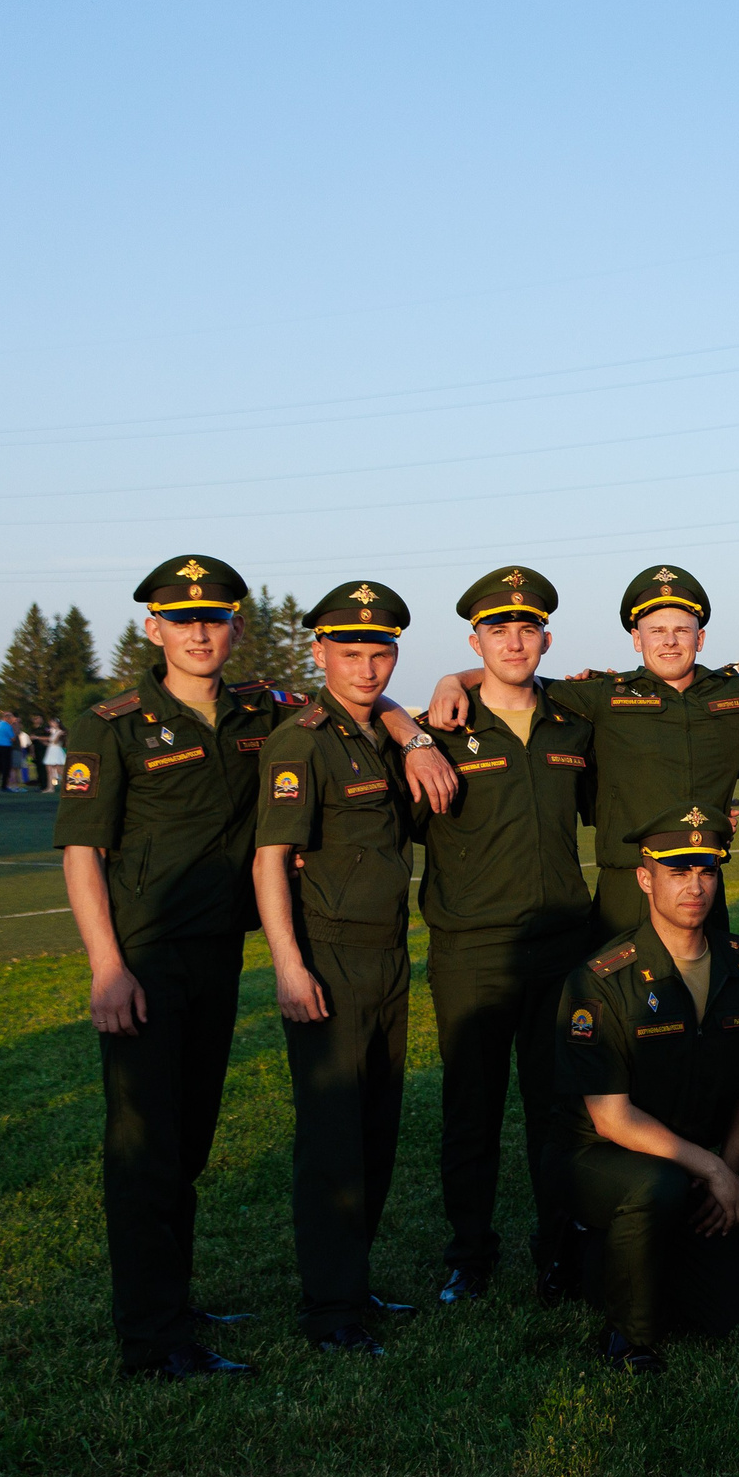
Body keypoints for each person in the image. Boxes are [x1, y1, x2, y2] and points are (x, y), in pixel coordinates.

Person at [57, 556, 449, 1379]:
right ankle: (152, 1335)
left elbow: (362, 699)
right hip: (145, 958)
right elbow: (83, 851)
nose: (200, 631)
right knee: (144, 1149)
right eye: (182, 617)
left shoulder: (259, 710)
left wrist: (414, 733)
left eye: (215, 617)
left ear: (235, 626)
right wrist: (105, 967)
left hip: (216, 955)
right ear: (152, 626)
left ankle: (176, 1301)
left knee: (189, 1141)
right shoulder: (115, 723)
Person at [424, 563, 739, 939]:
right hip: (628, 882)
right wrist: (451, 680)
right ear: (637, 640)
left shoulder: (732, 690)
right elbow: (515, 673)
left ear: (700, 638)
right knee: (620, 1005)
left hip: (702, 876)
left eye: (682, 630)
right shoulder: (605, 694)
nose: (669, 642)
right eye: (656, 631)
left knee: (714, 1001)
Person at [254, 580, 429, 1356]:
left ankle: (351, 1282)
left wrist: (412, 728)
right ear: (319, 652)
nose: (368, 666)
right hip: (328, 955)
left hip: (388, 952)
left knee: (375, 1130)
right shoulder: (303, 740)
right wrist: (289, 966)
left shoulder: (383, 731)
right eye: (350, 651)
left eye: (380, 650)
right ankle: (330, 1310)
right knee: (332, 1138)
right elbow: (269, 859)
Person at [414, 567, 597, 1306]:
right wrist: (415, 727)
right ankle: (470, 1253)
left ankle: (557, 1249)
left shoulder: (572, 722)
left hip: (560, 943)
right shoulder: (441, 731)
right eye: (498, 630)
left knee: (558, 1109)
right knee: (473, 1108)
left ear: (546, 636)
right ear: (474, 640)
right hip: (472, 948)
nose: (514, 641)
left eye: (527, 628)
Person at [556, 808, 739, 1373]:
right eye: (677, 870)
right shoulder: (601, 980)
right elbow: (612, 1119)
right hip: (608, 1158)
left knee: (720, 1318)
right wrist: (711, 1169)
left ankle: (668, 1243)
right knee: (656, 1188)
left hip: (698, 1161)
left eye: (706, 870)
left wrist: (727, 1170)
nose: (694, 885)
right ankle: (625, 1338)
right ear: (645, 878)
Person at [0, 709, 17, 791]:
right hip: (6, 747)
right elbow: (13, 738)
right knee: (6, 767)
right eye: (11, 718)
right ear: (7, 718)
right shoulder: (7, 726)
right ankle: (4, 786)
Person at [44, 721, 67, 792]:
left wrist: (57, 734)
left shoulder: (60, 732)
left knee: (59, 770)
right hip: (51, 750)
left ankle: (68, 784)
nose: (51, 724)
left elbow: (55, 742)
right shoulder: (53, 732)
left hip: (56, 751)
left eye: (53, 722)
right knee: (49, 771)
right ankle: (50, 788)